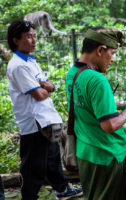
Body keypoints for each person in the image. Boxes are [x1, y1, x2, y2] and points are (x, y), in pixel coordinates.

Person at [65, 27, 126, 199]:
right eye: (112, 52)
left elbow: (87, 106)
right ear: (100, 50)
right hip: (105, 155)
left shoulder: (73, 73)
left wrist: (121, 103)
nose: (113, 59)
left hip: (85, 153)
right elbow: (109, 125)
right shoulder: (97, 80)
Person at [6, 20, 82, 200]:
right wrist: (46, 88)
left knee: (52, 157)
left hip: (45, 119)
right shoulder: (18, 65)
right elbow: (39, 94)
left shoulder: (31, 61)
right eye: (28, 37)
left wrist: (47, 88)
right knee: (33, 166)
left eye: (34, 36)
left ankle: (63, 189)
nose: (33, 41)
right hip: (33, 122)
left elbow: (48, 86)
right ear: (16, 40)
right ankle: (29, 196)